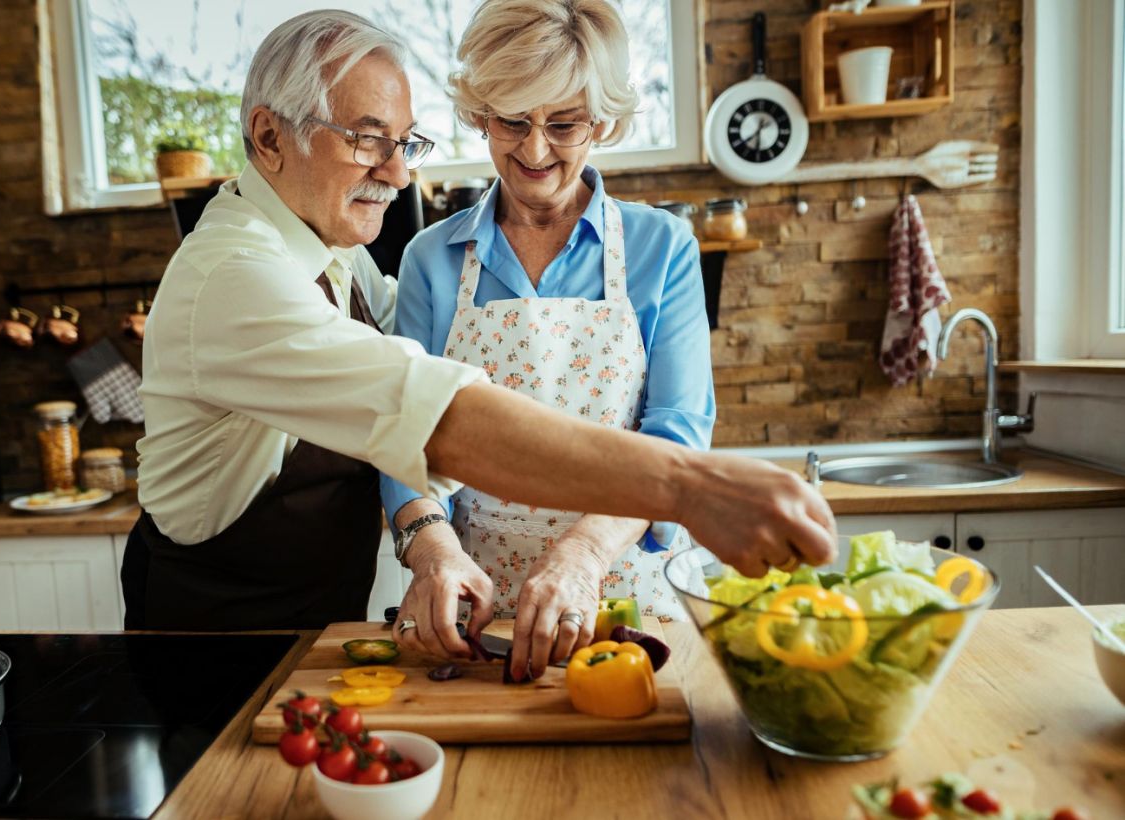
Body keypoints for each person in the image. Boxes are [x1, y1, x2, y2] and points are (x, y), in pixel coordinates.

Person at [122, 10, 836, 641]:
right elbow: (430, 419)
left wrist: (588, 548)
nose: (400, 176)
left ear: (603, 123)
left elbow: (674, 417)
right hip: (219, 643)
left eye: (404, 142)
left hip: (341, 626)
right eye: (368, 140)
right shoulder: (243, 276)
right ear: (268, 136)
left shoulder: (342, 261)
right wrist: (690, 488)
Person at [381, 0, 713, 679]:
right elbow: (401, 436)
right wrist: (432, 551)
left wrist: (583, 556)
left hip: (625, 596)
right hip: (477, 606)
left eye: (563, 124)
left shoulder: (662, 247)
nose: (533, 151)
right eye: (511, 121)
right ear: (480, 112)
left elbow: (676, 434)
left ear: (605, 121)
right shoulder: (431, 259)